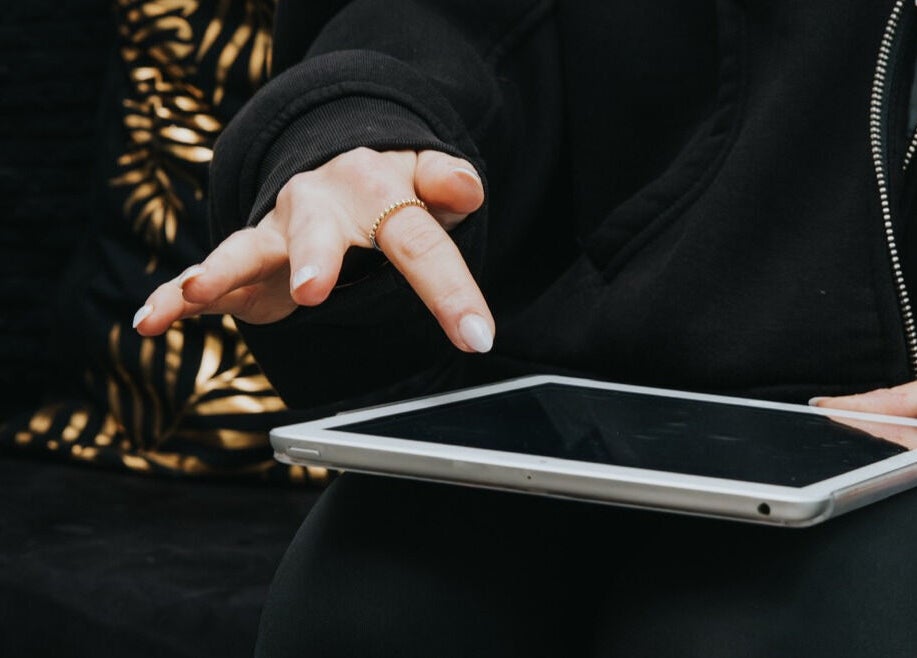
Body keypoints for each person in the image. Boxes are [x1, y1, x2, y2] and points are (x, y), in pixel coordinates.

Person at [135, 0, 917, 655]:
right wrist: (358, 129)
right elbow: (451, 22)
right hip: (603, 398)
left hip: (868, 476)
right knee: (375, 597)